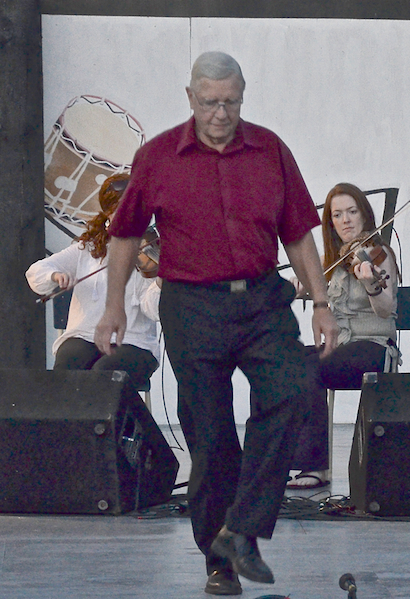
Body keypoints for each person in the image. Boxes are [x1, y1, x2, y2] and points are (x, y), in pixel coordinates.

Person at [94, 51, 339, 596]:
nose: (220, 113)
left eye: (230, 102)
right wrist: (113, 307)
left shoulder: (270, 149)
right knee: (211, 438)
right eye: (209, 103)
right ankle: (219, 562)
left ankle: (243, 527)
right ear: (190, 98)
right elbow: (125, 234)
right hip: (191, 307)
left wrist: (321, 302)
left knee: (296, 389)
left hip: (261, 303)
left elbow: (298, 232)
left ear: (243, 95)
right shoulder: (157, 156)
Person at [289, 183, 400, 490]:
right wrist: (298, 288)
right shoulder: (332, 265)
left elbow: (386, 308)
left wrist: (371, 285)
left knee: (311, 368)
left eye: (352, 212)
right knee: (283, 363)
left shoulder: (380, 256)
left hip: (373, 347)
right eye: (337, 214)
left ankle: (316, 467)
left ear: (365, 215)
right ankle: (277, 459)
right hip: (341, 347)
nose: (346, 220)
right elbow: (313, 295)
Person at [25, 173, 161, 390]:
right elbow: (37, 271)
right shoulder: (88, 248)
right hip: (84, 334)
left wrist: (162, 277)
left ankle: (119, 425)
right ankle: (70, 425)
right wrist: (55, 276)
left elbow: (153, 310)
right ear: (109, 214)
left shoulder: (150, 251)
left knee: (105, 372)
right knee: (69, 365)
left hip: (134, 341)